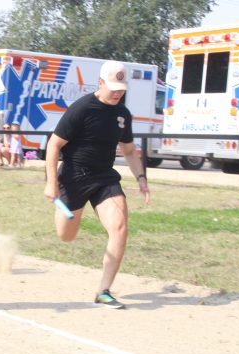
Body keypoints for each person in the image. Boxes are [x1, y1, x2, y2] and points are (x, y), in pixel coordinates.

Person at [44, 60, 151, 309]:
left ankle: (104, 290)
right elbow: (54, 145)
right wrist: (52, 183)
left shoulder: (123, 115)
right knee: (66, 235)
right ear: (100, 83)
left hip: (104, 177)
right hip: (74, 177)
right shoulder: (81, 109)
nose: (117, 93)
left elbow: (129, 151)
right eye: (113, 87)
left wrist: (142, 179)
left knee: (120, 226)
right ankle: (65, 211)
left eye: (121, 88)